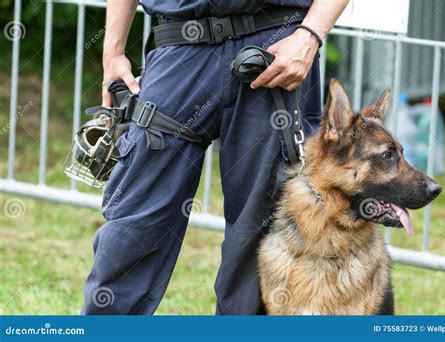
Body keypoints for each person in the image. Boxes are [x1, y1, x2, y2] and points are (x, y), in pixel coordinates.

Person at [82, 0, 349, 315]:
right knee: (131, 228)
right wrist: (112, 53)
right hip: (178, 45)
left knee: (262, 239)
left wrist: (310, 34)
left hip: (276, 48)